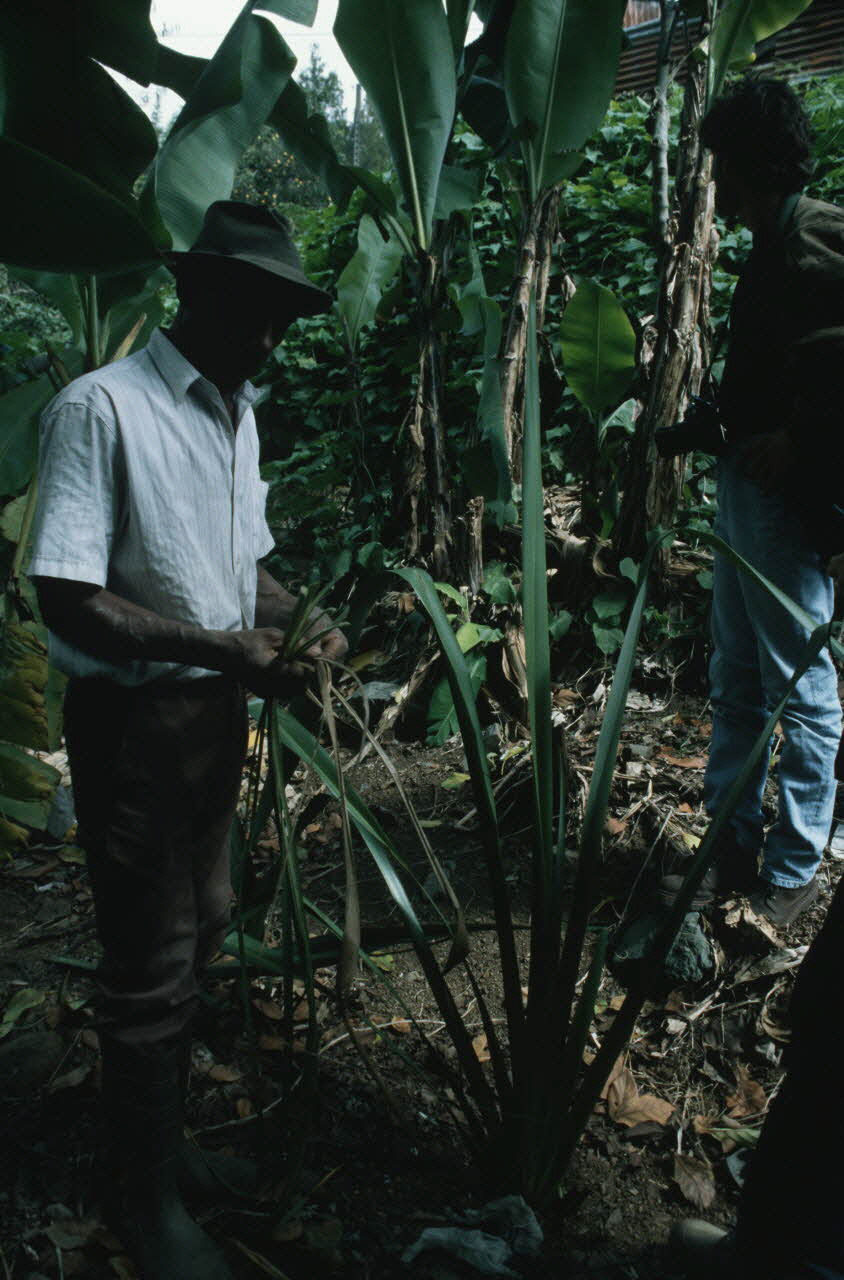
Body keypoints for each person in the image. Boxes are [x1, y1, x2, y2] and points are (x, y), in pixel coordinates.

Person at [28, 201, 347, 1280]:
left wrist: (298, 621)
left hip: (213, 716)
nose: (268, 339)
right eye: (252, 312)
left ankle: (159, 1154)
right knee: (151, 963)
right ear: (195, 291)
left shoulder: (235, 415)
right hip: (136, 722)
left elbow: (239, 563)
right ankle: (145, 1203)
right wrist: (225, 650)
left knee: (204, 920)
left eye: (282, 321)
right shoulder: (99, 409)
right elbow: (67, 596)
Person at [660, 77, 844, 928]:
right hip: (747, 485)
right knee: (736, 677)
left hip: (780, 498)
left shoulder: (814, 233)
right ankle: (731, 841)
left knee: (799, 684)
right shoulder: (776, 242)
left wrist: (804, 439)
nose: (720, 192)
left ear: (752, 164)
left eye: (725, 170)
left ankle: (795, 865)